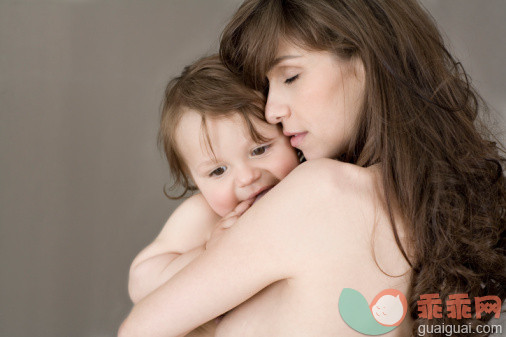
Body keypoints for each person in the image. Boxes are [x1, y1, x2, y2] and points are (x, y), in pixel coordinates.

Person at [119, 0, 506, 336]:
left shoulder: (320, 192)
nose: (272, 110)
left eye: (291, 76)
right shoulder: (438, 213)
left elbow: (138, 330)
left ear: (367, 59)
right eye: (268, 87)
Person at [126, 55, 300, 337]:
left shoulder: (308, 193)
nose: (246, 177)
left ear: (289, 136)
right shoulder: (205, 216)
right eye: (218, 171)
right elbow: (141, 282)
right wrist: (208, 252)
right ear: (193, 180)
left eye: (260, 150)